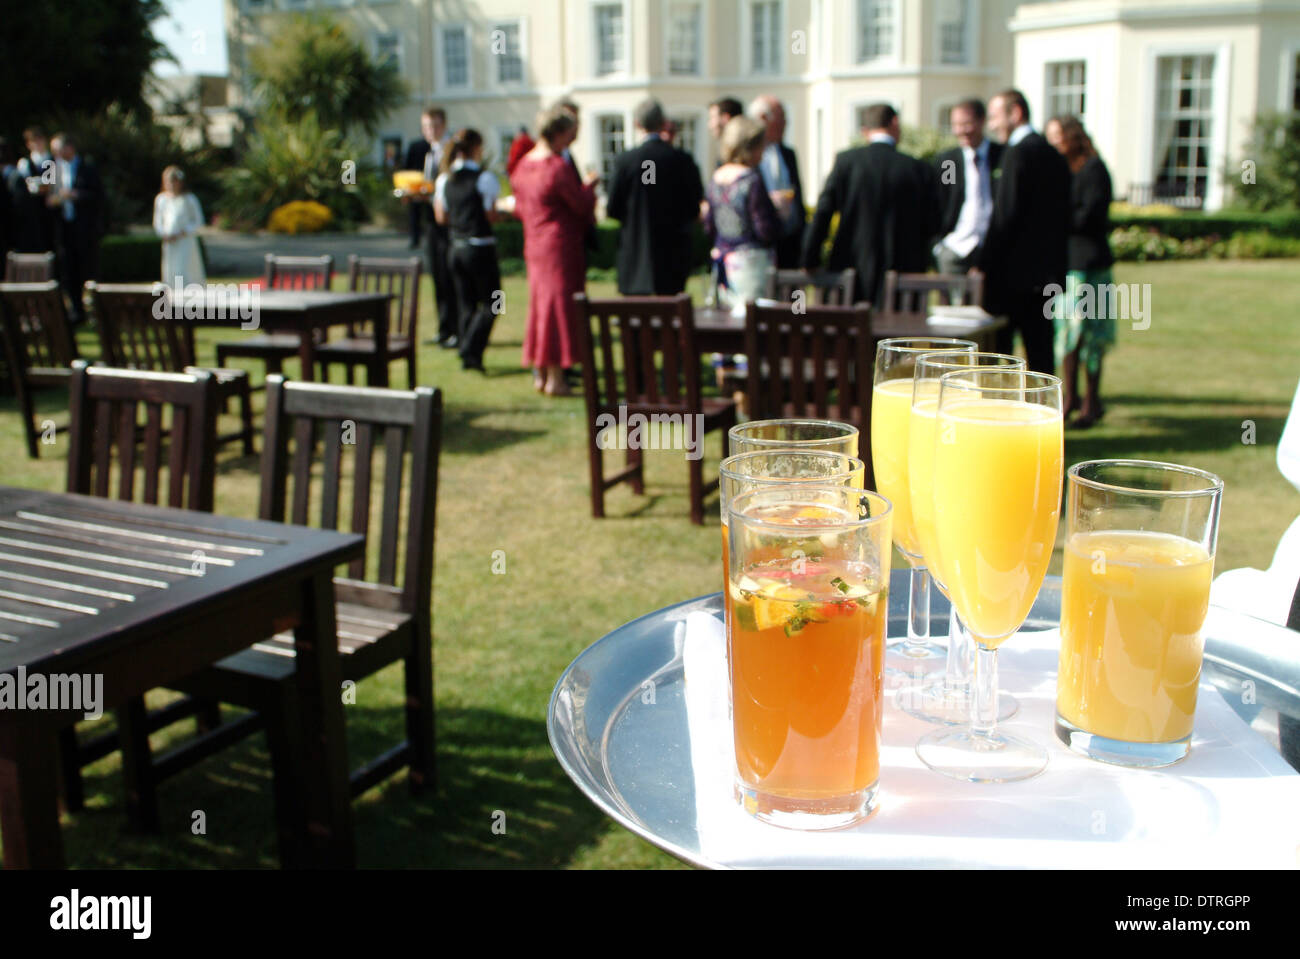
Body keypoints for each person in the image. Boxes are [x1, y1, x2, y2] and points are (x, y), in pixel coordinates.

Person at [801, 103, 939, 307]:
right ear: (895, 123)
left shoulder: (846, 162)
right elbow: (932, 222)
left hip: (850, 267)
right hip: (903, 272)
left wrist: (809, 258)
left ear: (864, 131)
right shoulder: (918, 168)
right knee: (899, 337)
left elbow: (823, 211)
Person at [977, 89, 1071, 375]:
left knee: (997, 363)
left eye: (995, 116)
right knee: (1042, 359)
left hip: (1013, 279)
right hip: (1047, 275)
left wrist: (983, 264)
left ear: (1015, 113)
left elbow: (1004, 217)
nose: (992, 125)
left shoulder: (1016, 154)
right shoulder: (1054, 154)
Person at [510, 104, 599, 396]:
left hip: (534, 244)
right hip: (559, 247)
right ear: (560, 133)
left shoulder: (523, 166)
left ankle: (543, 374)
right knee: (559, 311)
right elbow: (580, 204)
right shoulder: (557, 168)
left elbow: (520, 208)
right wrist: (590, 187)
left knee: (541, 309)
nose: (573, 140)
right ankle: (557, 379)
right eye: (571, 134)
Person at [1046, 115, 1115, 429]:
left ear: (1072, 137)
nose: (1054, 144)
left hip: (1090, 265)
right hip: (1069, 264)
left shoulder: (1094, 170)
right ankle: (1071, 398)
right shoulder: (1063, 171)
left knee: (1091, 335)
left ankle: (1090, 401)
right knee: (1068, 334)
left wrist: (1054, 219)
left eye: (1057, 137)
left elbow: (1090, 215)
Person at [606, 98, 703, 296]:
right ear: (662, 123)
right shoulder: (681, 160)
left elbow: (613, 208)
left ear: (637, 124)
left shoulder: (626, 160)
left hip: (635, 255)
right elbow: (694, 207)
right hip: (672, 256)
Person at [433, 129, 503, 373]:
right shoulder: (485, 179)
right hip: (480, 249)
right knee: (495, 302)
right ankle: (470, 350)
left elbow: (441, 216)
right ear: (476, 148)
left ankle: (466, 347)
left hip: (456, 248)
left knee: (466, 304)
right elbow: (490, 215)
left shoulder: (445, 179)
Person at [704, 116, 781, 301]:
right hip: (751, 267)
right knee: (754, 323)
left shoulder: (716, 179)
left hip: (723, 263)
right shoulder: (751, 179)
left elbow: (709, 227)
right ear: (752, 147)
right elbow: (765, 229)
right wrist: (779, 212)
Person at [933, 99, 1003, 278]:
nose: (961, 130)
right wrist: (939, 244)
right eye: (956, 125)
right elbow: (941, 199)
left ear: (981, 122)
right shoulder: (949, 161)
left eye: (966, 124)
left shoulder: (1002, 156)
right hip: (955, 246)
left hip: (993, 247)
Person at [406, 107, 457, 347]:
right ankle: (444, 328)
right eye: (426, 126)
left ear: (444, 125)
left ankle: (456, 329)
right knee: (437, 274)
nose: (431, 131)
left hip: (450, 224)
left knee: (451, 276)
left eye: (435, 126)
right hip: (431, 223)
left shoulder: (452, 151)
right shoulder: (427, 152)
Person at [48, 132, 102, 326]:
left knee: (89, 269)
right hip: (64, 229)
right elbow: (48, 195)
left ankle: (97, 312)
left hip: (84, 229)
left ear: (69, 147)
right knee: (69, 272)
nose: (55, 153)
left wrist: (75, 195)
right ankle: (76, 312)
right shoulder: (53, 169)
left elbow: (98, 196)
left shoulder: (87, 167)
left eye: (58, 148)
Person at [747, 96, 805, 269]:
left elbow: (798, 196)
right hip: (760, 244)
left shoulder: (788, 154)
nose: (785, 123)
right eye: (781, 118)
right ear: (763, 119)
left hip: (789, 243)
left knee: (794, 295)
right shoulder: (746, 156)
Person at [153, 166, 206, 288]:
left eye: (174, 181)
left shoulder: (189, 199)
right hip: (170, 242)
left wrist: (183, 232)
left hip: (185, 241)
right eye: (168, 181)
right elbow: (158, 222)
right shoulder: (161, 199)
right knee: (170, 269)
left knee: (184, 269)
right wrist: (164, 234)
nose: (171, 184)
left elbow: (198, 221)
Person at [13, 127, 55, 254]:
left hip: (50, 208)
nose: (38, 144)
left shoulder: (51, 160)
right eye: (34, 141)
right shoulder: (25, 163)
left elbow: (52, 184)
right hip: (32, 209)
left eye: (39, 140)